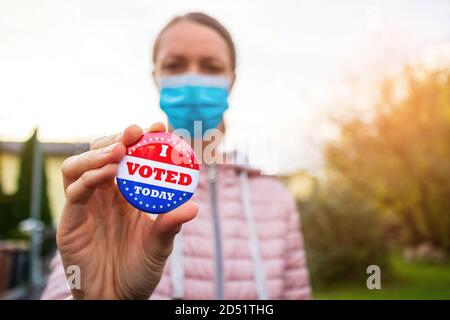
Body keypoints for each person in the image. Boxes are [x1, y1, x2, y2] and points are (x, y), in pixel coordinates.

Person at [41, 12, 311, 300]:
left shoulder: (276, 199)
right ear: (157, 78)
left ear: (231, 81)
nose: (193, 78)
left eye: (211, 66)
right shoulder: (114, 190)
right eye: (175, 65)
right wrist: (98, 296)